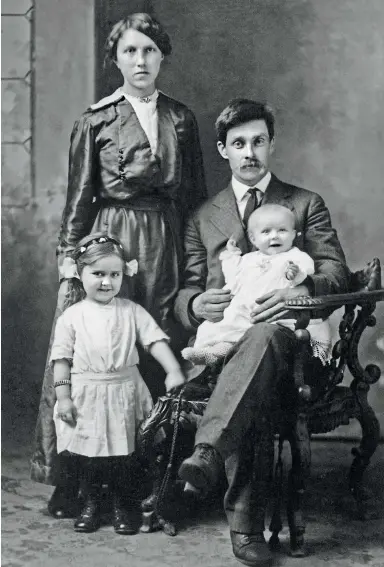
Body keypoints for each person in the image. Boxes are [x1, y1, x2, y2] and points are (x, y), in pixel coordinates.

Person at [30, 12, 206, 516]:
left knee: (158, 349)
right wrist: (70, 263)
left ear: (163, 57)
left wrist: (201, 263)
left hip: (168, 242)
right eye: (130, 51)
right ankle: (82, 479)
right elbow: (78, 200)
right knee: (98, 356)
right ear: (115, 59)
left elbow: (195, 197)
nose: (140, 60)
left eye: (149, 51)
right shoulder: (95, 120)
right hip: (111, 242)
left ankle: (148, 477)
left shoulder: (182, 118)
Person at [175, 99, 349, 566]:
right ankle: (245, 525)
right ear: (223, 150)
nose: (249, 152)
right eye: (238, 144)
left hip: (292, 341)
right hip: (227, 345)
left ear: (271, 144)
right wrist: (194, 304)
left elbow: (337, 273)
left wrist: (302, 290)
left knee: (264, 341)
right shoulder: (203, 216)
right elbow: (187, 288)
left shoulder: (305, 203)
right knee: (252, 357)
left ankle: (210, 456)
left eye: (258, 141)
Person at [50, 233, 186, 533]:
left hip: (124, 390)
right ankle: (91, 504)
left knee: (125, 455)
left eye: (115, 274)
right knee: (88, 456)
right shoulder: (72, 317)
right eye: (98, 274)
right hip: (86, 392)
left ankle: (122, 506)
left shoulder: (131, 311)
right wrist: (63, 398)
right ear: (79, 273)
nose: (107, 282)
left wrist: (173, 369)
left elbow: (154, 340)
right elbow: (61, 360)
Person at [182, 204, 332, 366]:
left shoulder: (296, 257)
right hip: (244, 307)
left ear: (294, 235)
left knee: (249, 333)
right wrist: (231, 256)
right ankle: (212, 352)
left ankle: (223, 352)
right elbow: (233, 275)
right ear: (254, 239)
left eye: (282, 230)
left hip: (273, 313)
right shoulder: (249, 258)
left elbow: (306, 273)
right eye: (266, 232)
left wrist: (295, 274)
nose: (274, 237)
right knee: (220, 325)